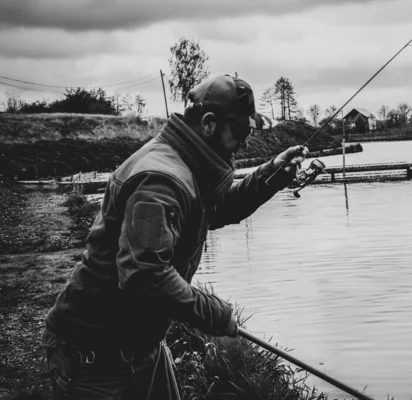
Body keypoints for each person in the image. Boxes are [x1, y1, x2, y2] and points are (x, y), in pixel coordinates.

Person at [41, 74, 308, 399]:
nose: (246, 142)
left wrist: (274, 174)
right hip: (95, 356)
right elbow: (145, 277)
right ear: (209, 123)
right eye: (240, 131)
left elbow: (217, 210)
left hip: (140, 346)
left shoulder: (184, 163)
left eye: (249, 131)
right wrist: (215, 312)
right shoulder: (161, 181)